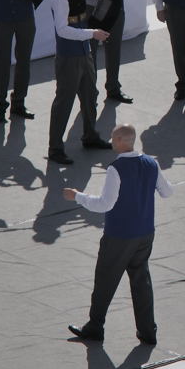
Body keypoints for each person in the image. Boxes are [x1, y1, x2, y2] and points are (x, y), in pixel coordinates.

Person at [64, 124, 173, 345]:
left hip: (120, 235)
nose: (112, 142)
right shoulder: (151, 163)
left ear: (123, 141)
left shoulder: (116, 168)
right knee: (141, 282)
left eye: (114, 139)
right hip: (145, 233)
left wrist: (78, 196)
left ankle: (95, 327)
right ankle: (147, 331)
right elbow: (167, 191)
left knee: (105, 281)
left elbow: (105, 203)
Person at [48, 0, 117, 165]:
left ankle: (90, 136)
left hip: (84, 53)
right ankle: (55, 148)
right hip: (69, 57)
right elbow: (62, 30)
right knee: (64, 101)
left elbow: (98, 1)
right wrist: (92, 33)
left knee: (90, 96)